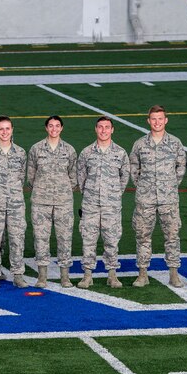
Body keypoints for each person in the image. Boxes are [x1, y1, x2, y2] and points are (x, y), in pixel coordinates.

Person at [129, 106, 187, 288]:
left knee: (172, 236)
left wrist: (169, 186)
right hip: (145, 199)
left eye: (160, 118)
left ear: (166, 120)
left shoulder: (175, 143)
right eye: (153, 119)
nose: (157, 122)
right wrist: (144, 186)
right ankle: (142, 274)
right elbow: (133, 168)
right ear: (148, 121)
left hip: (168, 199)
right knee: (143, 235)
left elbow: (181, 168)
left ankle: (174, 274)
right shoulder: (140, 144)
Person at [77, 116, 130, 289]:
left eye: (107, 127)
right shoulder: (86, 153)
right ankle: (87, 275)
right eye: (100, 127)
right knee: (88, 240)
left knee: (112, 240)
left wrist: (113, 195)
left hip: (111, 205)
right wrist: (90, 195)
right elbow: (81, 178)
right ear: (95, 129)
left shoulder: (120, 153)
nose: (104, 130)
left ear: (112, 130)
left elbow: (125, 177)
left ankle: (112, 275)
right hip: (90, 205)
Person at [26, 115, 78, 288]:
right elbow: (31, 176)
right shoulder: (36, 149)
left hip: (63, 202)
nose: (54, 129)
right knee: (41, 239)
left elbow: (73, 176)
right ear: (46, 128)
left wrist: (61, 189)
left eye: (57, 126)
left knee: (65, 239)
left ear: (61, 128)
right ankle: (42, 277)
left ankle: (65, 276)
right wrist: (43, 189)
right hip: (41, 202)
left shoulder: (69, 150)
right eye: (51, 126)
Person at [0, 116, 28, 289]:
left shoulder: (21, 153)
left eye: (7, 128)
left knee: (17, 239)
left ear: (12, 130)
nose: (4, 132)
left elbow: (22, 177)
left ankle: (18, 274)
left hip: (15, 204)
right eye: (1, 129)